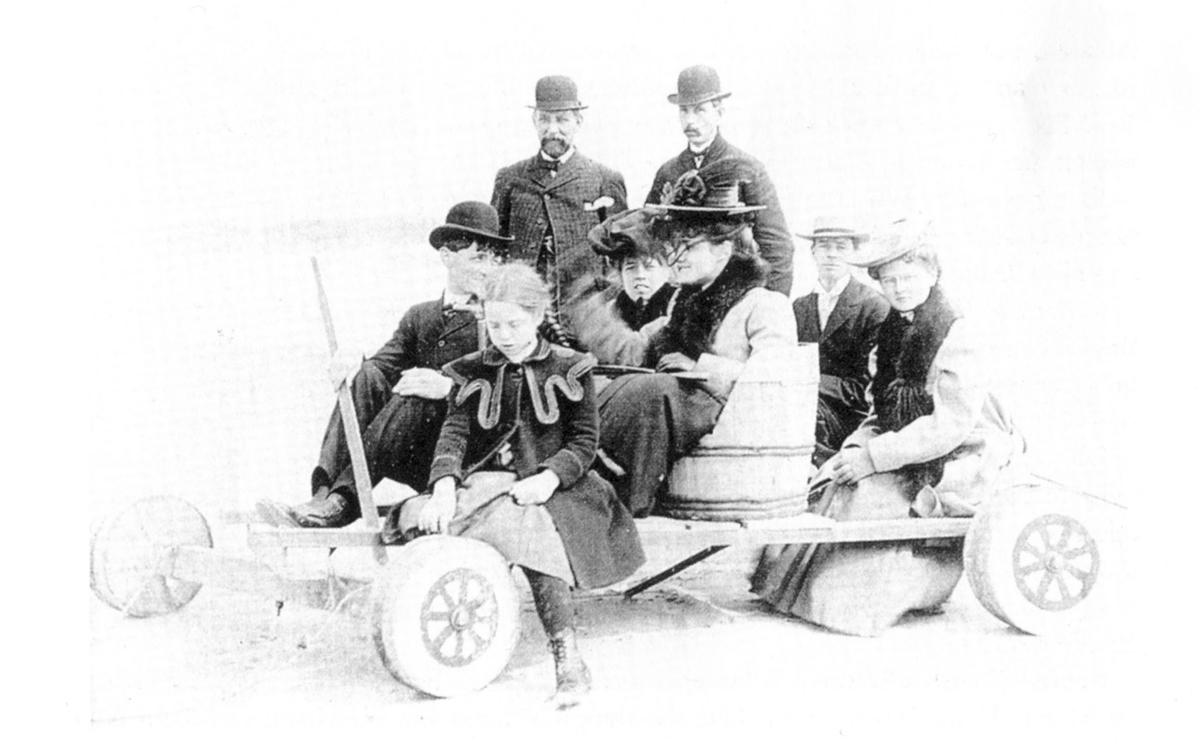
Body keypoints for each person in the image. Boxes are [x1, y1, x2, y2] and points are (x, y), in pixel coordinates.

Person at [753, 219, 1025, 637]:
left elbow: (947, 425)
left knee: (868, 495)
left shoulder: (956, 333)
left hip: (959, 452)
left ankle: (874, 600)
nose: (899, 288)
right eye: (890, 280)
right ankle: (789, 592)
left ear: (932, 275)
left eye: (909, 277)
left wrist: (876, 458)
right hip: (910, 440)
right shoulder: (894, 329)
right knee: (832, 479)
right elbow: (883, 409)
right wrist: (857, 448)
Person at [390, 263, 644, 709]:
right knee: (438, 515)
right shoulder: (471, 371)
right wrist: (445, 484)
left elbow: (585, 441)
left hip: (563, 487)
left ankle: (568, 659)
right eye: (494, 324)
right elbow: (455, 432)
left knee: (533, 530)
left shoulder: (571, 366)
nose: (504, 335)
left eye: (514, 324)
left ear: (539, 314)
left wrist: (548, 478)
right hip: (492, 484)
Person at [256, 202, 511, 528]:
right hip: (411, 451)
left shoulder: (502, 319)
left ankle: (343, 503)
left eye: (493, 258)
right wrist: (354, 358)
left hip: (464, 454)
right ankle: (322, 496)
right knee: (366, 376)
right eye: (478, 258)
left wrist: (449, 387)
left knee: (414, 398)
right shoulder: (420, 316)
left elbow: (512, 388)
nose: (488, 268)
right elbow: (381, 371)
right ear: (447, 256)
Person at [593, 160, 798, 516]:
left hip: (738, 440)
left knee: (654, 392)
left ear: (722, 249)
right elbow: (636, 347)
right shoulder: (683, 307)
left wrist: (697, 365)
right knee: (615, 385)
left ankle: (627, 504)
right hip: (685, 422)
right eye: (674, 245)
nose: (675, 257)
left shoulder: (764, 305)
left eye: (688, 246)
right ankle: (593, 475)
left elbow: (773, 387)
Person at [491, 75, 628, 347]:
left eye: (562, 120)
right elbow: (496, 250)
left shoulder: (604, 179)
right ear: (534, 121)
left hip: (586, 320)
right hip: (523, 323)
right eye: (545, 119)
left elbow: (622, 257)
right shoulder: (510, 179)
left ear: (578, 121)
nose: (553, 129)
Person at [645, 65, 795, 295]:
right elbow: (650, 239)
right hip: (680, 294)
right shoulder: (668, 172)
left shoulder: (746, 168)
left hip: (733, 293)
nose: (690, 121)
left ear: (720, 113)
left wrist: (771, 305)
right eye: (684, 111)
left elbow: (777, 246)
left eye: (699, 110)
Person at [793, 217, 889, 465]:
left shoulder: (874, 306)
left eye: (841, 247)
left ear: (855, 253)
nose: (832, 255)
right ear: (813, 252)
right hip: (806, 408)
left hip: (851, 419)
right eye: (824, 246)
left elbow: (866, 388)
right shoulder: (799, 307)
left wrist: (808, 380)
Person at [588, 208, 676, 331]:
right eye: (631, 268)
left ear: (667, 271)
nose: (640, 275)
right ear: (621, 274)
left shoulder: (678, 308)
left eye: (649, 267)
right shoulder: (611, 313)